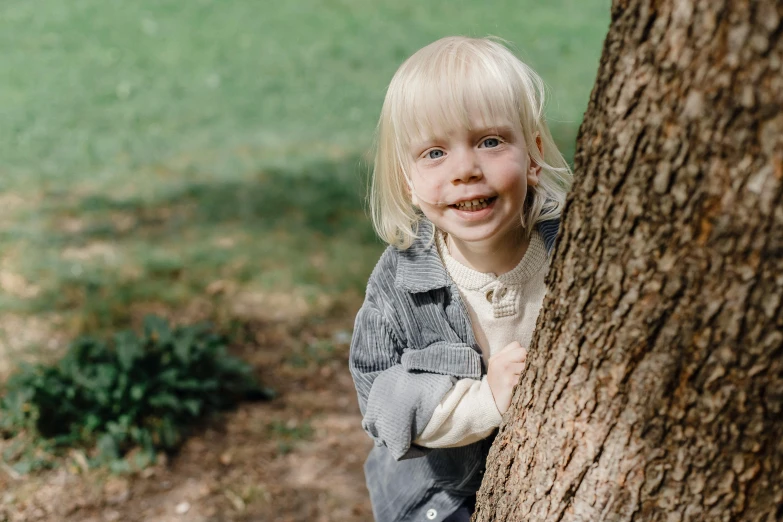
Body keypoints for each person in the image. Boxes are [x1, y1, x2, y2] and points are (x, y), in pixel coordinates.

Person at [349, 36, 572, 522]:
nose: (465, 170)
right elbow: (382, 401)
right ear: (408, 179)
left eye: (490, 141)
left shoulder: (575, 252)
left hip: (559, 477)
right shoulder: (400, 282)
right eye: (434, 153)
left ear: (533, 153)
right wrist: (486, 399)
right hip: (439, 494)